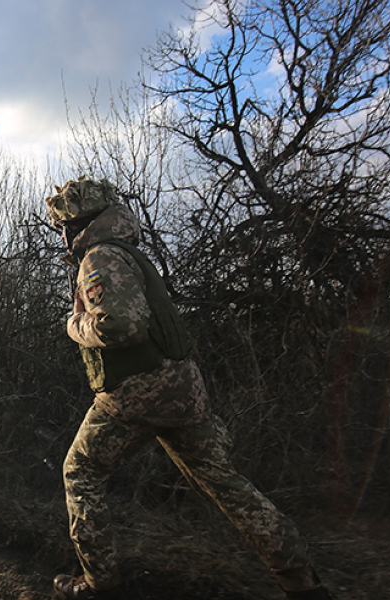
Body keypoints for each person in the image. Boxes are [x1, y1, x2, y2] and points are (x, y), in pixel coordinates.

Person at [44, 177, 334, 600]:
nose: (64, 237)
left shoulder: (100, 257)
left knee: (80, 471)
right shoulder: (130, 253)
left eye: (64, 227)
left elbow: (122, 324)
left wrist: (76, 326)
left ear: (78, 225)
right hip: (184, 392)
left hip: (135, 396)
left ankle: (97, 585)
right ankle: (304, 585)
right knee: (228, 486)